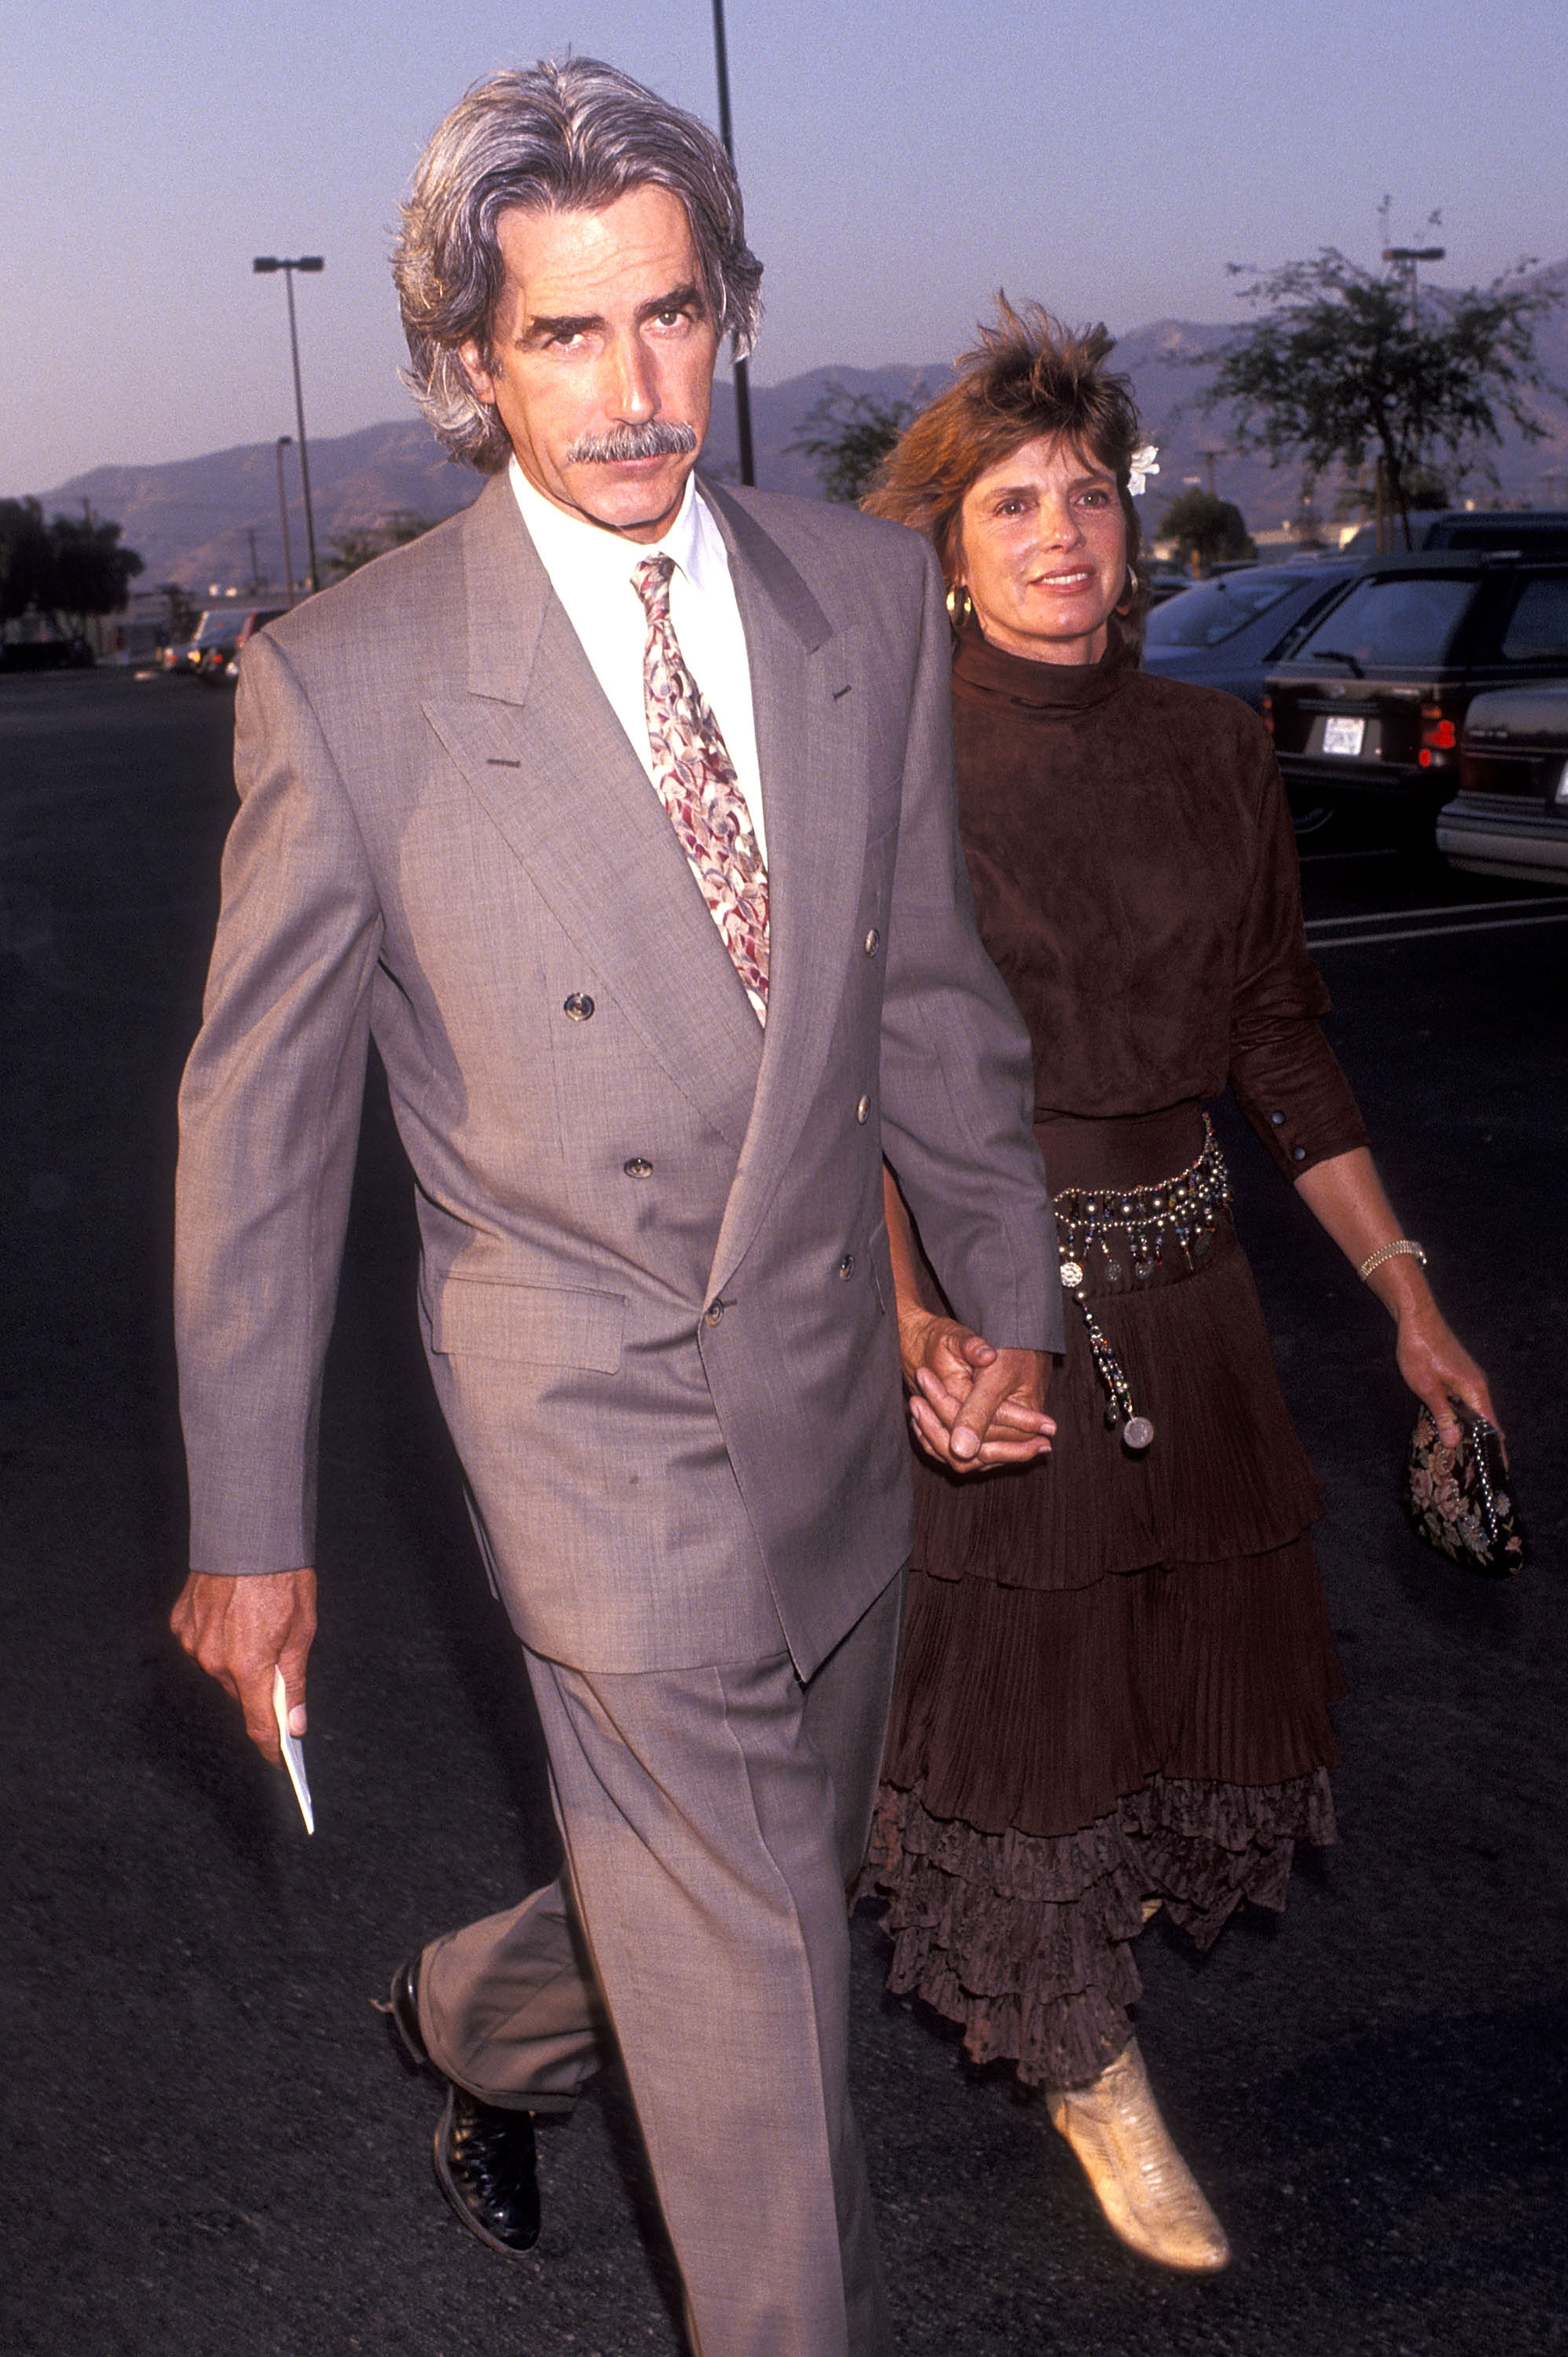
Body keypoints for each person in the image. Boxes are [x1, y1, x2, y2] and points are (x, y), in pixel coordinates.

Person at [167, 62, 1066, 2357]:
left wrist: (1002, 1301)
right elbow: (256, 1134)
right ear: (469, 363)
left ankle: (482, 2016)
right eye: (564, 335)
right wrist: (246, 1519)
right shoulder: (346, 688)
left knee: (763, 1872)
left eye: (668, 319)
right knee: (765, 2004)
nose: (632, 389)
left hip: (834, 1401)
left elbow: (925, 996)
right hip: (581, 1406)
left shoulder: (867, 598)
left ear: (726, 314)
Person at [862, 304, 1499, 2275]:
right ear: (947, 545)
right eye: (1011, 503)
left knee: (1134, 1704)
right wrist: (911, 1320)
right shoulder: (888, 758)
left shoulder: (1214, 748)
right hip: (988, 1303)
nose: (1061, 534)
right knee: (989, 1729)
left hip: (1191, 1290)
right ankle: (1084, 2064)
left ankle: (1035, 1975)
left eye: (1086, 497)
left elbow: (1281, 1044)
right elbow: (838, 1084)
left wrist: (1405, 1296)